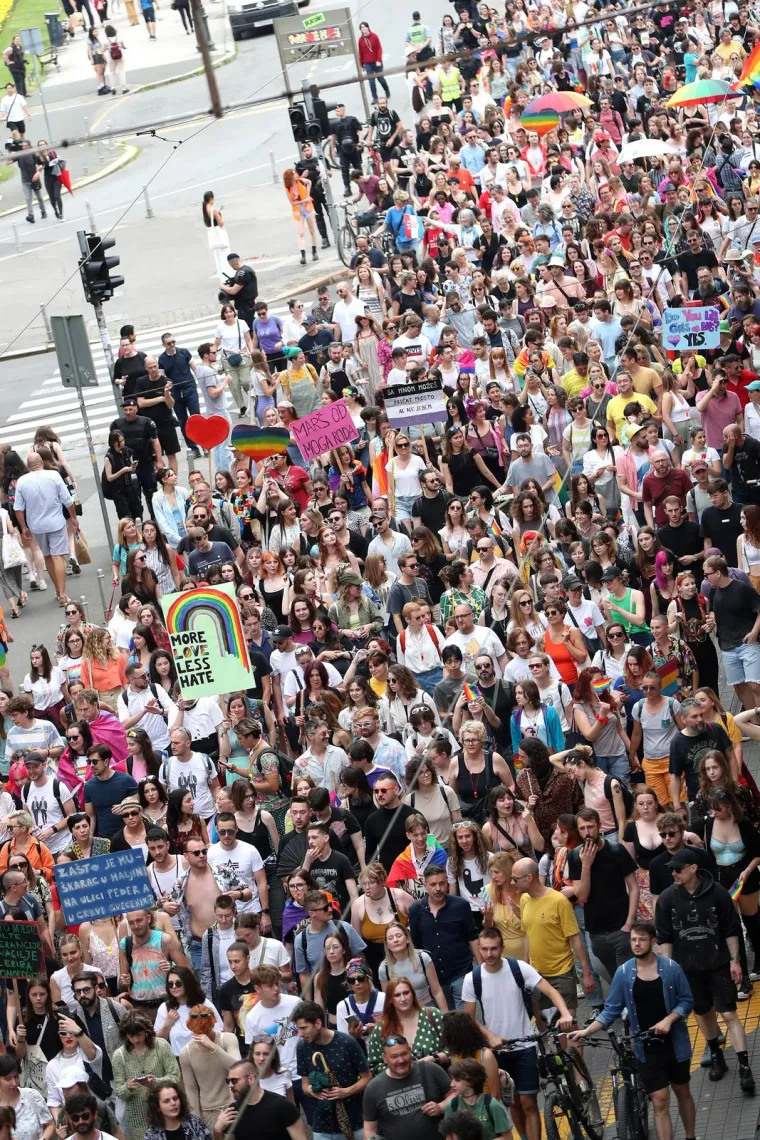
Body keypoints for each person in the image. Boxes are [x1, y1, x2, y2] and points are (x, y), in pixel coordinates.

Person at [570, 921, 697, 1140]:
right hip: (644, 1047)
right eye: (633, 940)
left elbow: (686, 1001)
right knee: (660, 1101)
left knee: (682, 1091)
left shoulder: (671, 968)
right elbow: (611, 1009)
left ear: (653, 942)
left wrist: (669, 1020)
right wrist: (587, 1031)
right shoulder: (624, 973)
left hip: (674, 1045)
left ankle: (690, 1136)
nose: (637, 944)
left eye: (642, 940)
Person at [655, 848, 755, 1091]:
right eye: (671, 870)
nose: (674, 874)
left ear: (693, 868)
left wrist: (735, 961)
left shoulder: (718, 893)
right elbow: (665, 937)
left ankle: (744, 1066)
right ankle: (716, 1055)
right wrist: (668, 970)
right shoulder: (667, 899)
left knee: (729, 1014)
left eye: (678, 869)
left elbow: (731, 929)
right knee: (703, 1013)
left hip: (718, 964)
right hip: (688, 969)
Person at [462, 926, 573, 1140]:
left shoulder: (518, 968)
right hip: (498, 1052)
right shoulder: (472, 979)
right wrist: (490, 1036)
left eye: (494, 949)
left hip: (525, 1045)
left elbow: (550, 990)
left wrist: (565, 1013)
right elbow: (469, 1018)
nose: (489, 954)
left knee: (528, 1102)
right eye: (484, 949)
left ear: (502, 947)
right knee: (512, 1102)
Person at [566, 807, 638, 982]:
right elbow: (582, 896)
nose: (587, 832)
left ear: (599, 825)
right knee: (610, 976)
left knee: (627, 978)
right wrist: (586, 865)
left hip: (621, 926)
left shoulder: (616, 850)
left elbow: (634, 887)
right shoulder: (575, 855)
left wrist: (629, 922)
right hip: (596, 931)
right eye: (582, 828)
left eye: (590, 827)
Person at [293, 999, 371, 1140]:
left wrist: (346, 1091)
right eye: (299, 1029)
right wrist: (311, 1090)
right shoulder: (302, 1047)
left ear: (318, 1023)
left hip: (354, 1121)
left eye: (304, 1028)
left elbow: (367, 1078)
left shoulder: (347, 1043)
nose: (301, 1033)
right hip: (322, 1125)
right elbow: (304, 1084)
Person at [409, 864, 480, 1010]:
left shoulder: (461, 905)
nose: (438, 888)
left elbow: (472, 937)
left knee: (464, 1018)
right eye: (433, 884)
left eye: (442, 883)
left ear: (447, 882)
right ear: (425, 885)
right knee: (447, 1018)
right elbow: (416, 945)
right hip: (435, 977)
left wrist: (481, 968)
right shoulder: (415, 910)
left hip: (461, 971)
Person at [13, 453, 79, 606]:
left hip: (36, 525)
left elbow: (18, 508)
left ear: (28, 465)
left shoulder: (22, 481)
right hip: (56, 522)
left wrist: (23, 527)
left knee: (48, 556)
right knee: (57, 556)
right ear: (41, 462)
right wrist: (74, 518)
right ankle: (63, 594)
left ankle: (58, 590)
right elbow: (68, 500)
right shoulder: (53, 476)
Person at [362, 1035, 452, 1140]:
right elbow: (369, 1130)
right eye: (394, 1057)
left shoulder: (430, 1069)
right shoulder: (374, 1088)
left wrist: (441, 1107)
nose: (401, 1060)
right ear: (384, 1058)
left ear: (410, 1051)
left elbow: (455, 1095)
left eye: (404, 1054)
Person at [112, 1014, 181, 1140]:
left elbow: (175, 1076)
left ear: (146, 1031)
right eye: (131, 1036)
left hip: (164, 1115)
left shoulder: (161, 1046)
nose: (136, 1040)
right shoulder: (119, 1056)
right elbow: (119, 1090)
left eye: (139, 1035)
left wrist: (156, 1082)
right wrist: (128, 1087)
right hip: (136, 1119)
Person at [213, 1059, 306, 1140]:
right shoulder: (232, 1111)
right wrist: (217, 1130)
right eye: (228, 1081)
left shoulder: (282, 1106)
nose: (230, 1085)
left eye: (234, 1081)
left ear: (251, 1079)